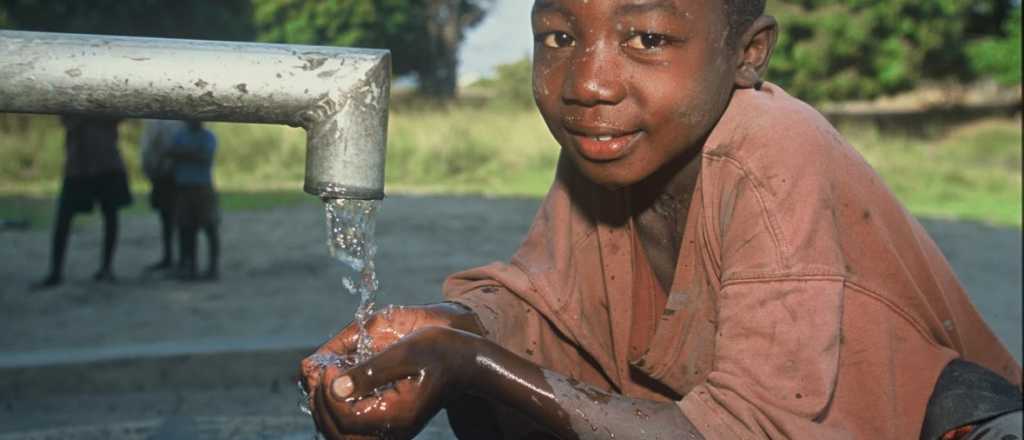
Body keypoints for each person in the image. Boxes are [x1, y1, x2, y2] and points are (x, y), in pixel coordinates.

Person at [300, 1, 1023, 439]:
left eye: (646, 39)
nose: (587, 82)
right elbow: (544, 308)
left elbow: (754, 432)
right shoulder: (617, 148)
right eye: (557, 36)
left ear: (748, 54)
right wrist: (442, 326)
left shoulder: (772, 149)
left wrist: (474, 361)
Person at [34, 115, 132, 288]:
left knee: (110, 215)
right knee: (64, 219)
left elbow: (121, 114)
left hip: (105, 162)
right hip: (79, 164)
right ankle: (56, 271)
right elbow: (65, 118)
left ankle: (106, 267)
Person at [166, 120, 220, 281]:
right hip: (184, 187)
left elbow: (204, 156)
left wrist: (182, 153)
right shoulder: (182, 135)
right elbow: (170, 152)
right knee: (186, 229)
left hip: (202, 187)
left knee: (209, 227)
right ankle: (190, 266)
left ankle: (212, 267)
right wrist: (191, 153)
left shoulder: (207, 136)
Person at [140, 119, 187, 271]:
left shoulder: (159, 122)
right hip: (166, 174)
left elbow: (148, 147)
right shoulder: (159, 121)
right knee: (168, 217)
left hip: (174, 174)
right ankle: (174, 257)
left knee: (176, 217)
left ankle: (179, 258)